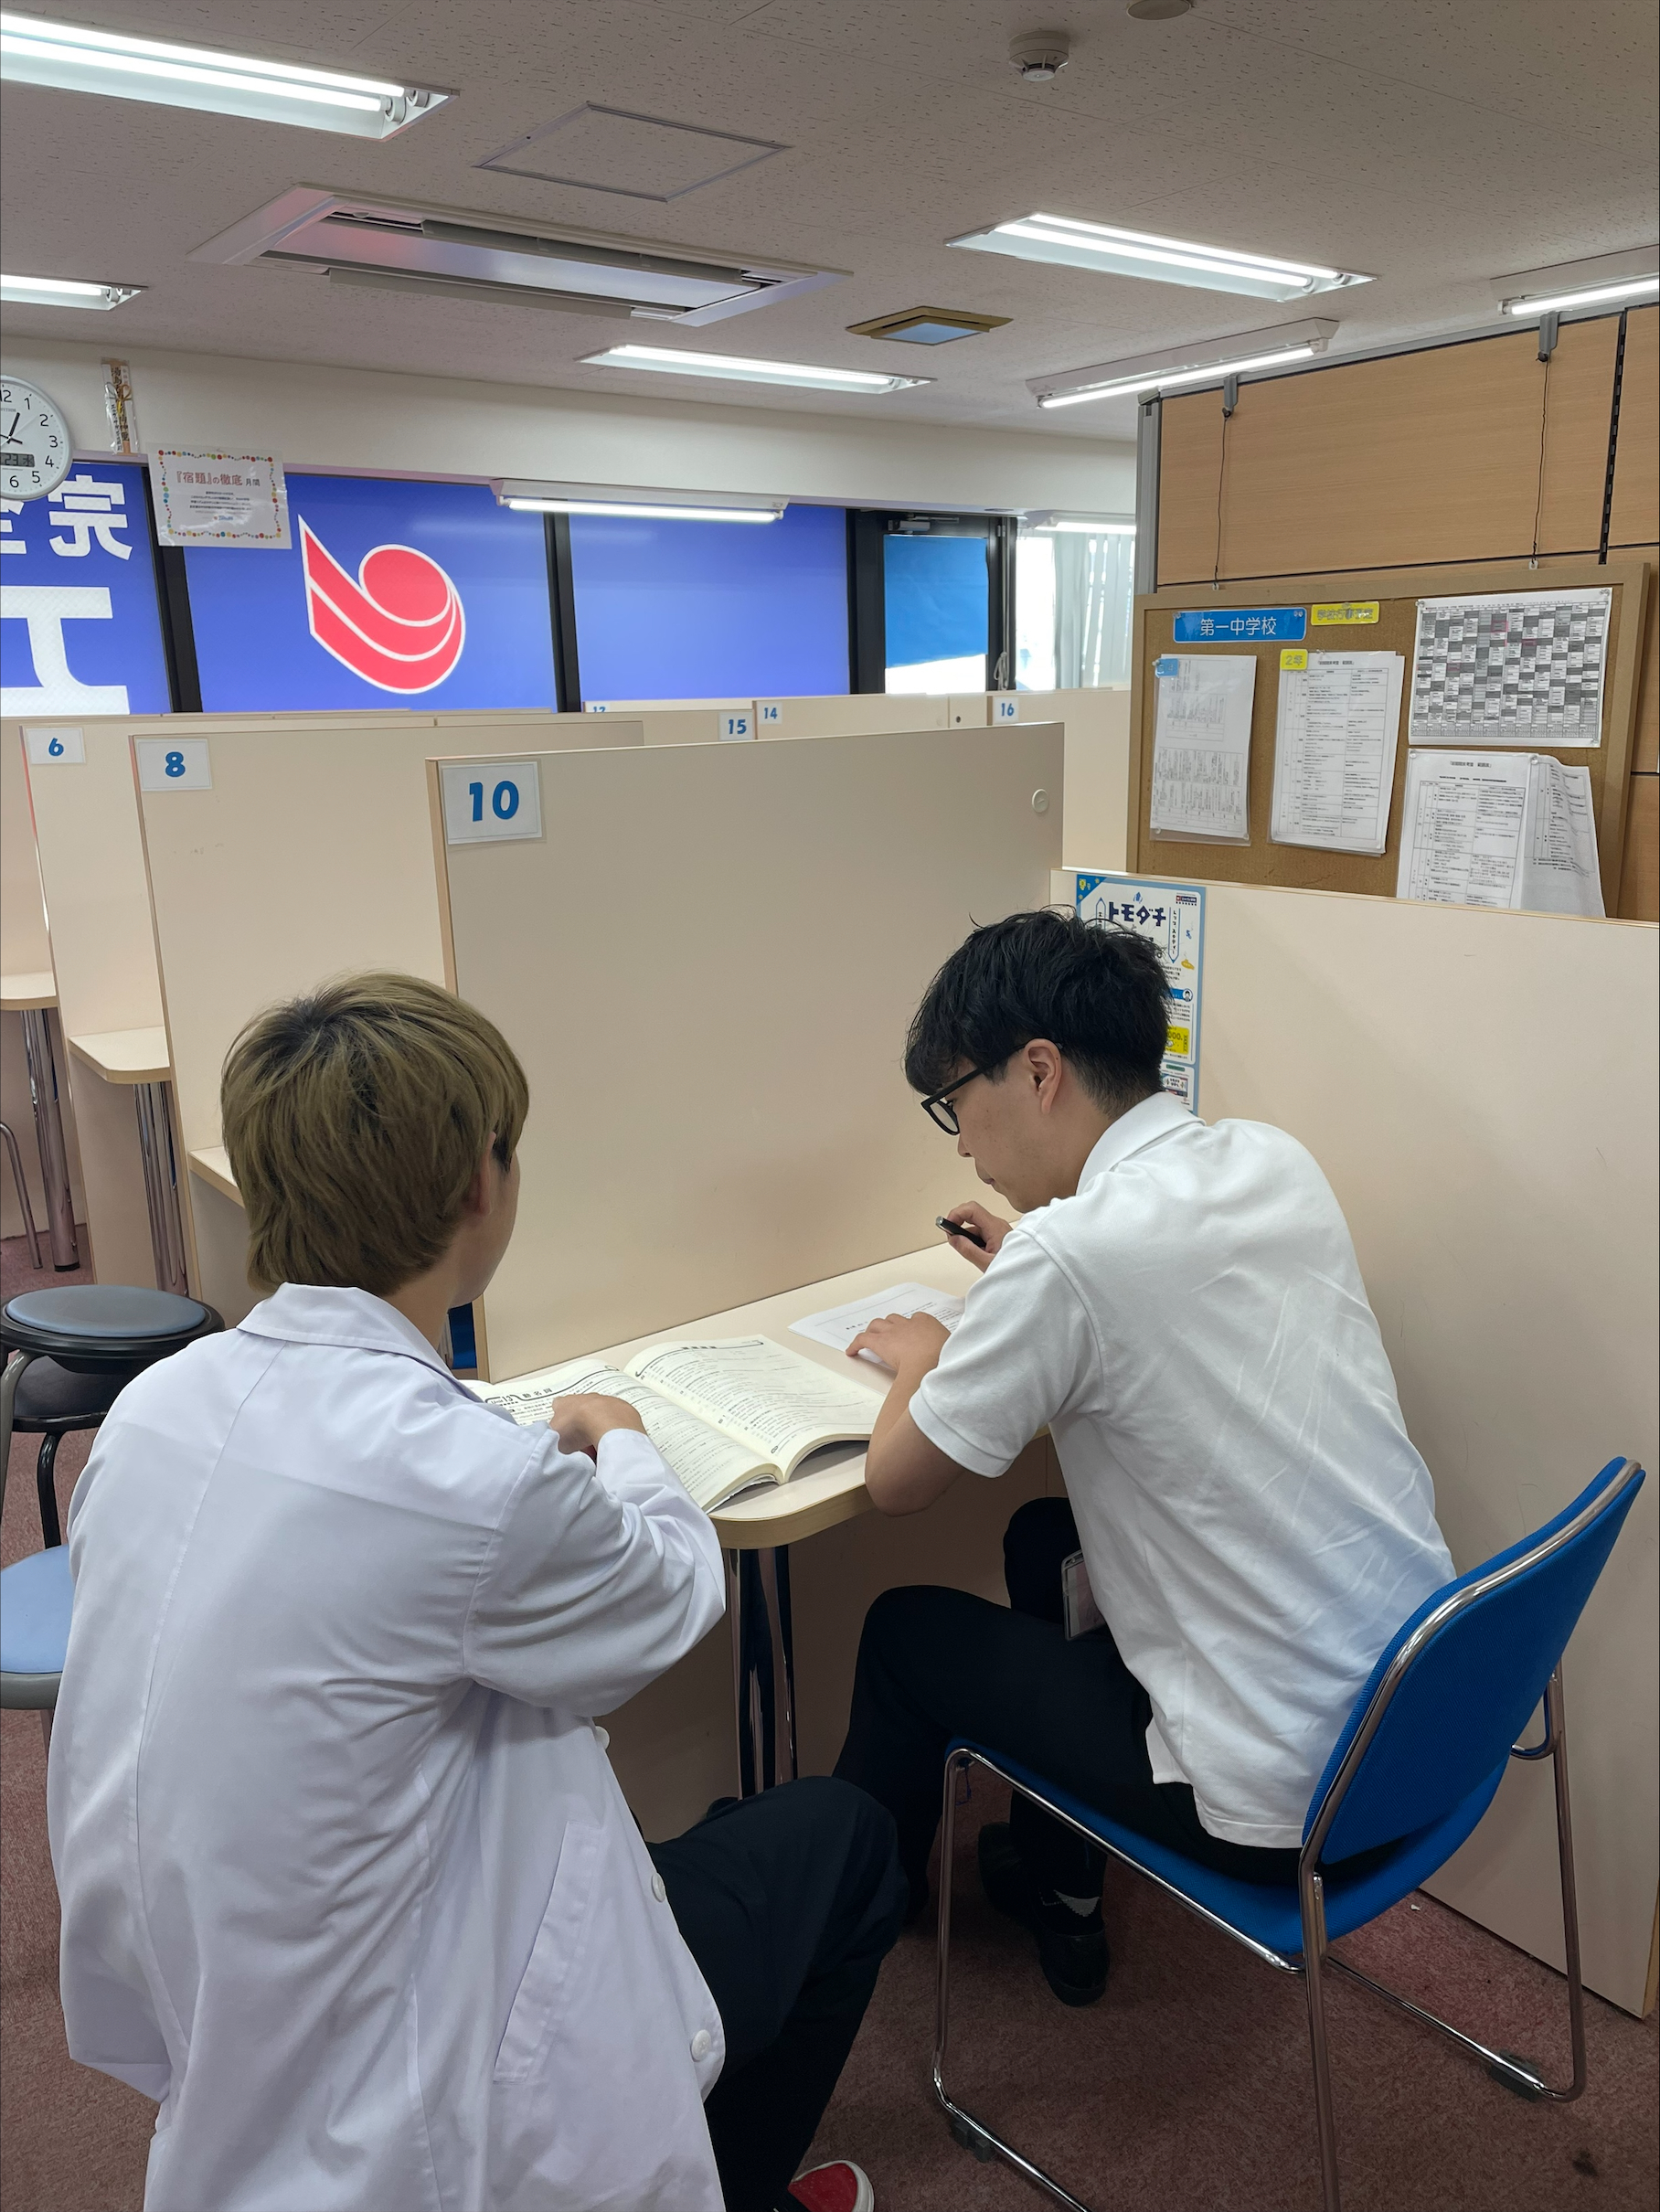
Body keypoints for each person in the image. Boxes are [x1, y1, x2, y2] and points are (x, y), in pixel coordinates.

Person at [48, 973, 905, 2212]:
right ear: (477, 1188)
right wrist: (622, 1437)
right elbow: (669, 1593)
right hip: (426, 2082)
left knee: (676, 1830)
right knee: (843, 1838)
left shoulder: (153, 1410)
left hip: (227, 1999)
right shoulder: (464, 1477)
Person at [833, 909, 1455, 2006]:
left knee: (900, 1633)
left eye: (955, 1102)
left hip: (1280, 1807)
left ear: (1038, 1071)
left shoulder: (1070, 1256)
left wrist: (925, 1357)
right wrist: (1032, 1268)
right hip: (1420, 1721)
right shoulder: (1269, 1157)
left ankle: (844, 1932)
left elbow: (898, 1482)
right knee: (1046, 1534)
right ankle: (1062, 1881)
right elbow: (1170, 1292)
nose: (963, 1144)